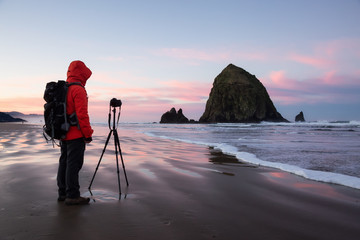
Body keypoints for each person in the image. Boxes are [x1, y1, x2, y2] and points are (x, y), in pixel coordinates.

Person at [57, 60, 94, 205]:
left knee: (64, 162)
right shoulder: (78, 90)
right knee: (73, 164)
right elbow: (82, 115)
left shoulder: (64, 88)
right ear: (82, 73)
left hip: (63, 133)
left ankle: (63, 193)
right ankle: (72, 195)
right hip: (75, 134)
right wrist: (88, 134)